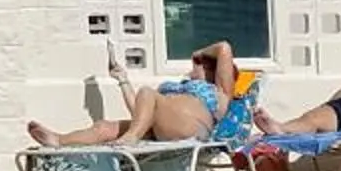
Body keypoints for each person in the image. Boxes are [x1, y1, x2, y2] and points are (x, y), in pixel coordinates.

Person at [27, 43, 246, 149]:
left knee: (147, 95)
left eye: (203, 65)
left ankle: (130, 139)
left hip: (191, 128)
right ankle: (59, 140)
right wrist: (122, 79)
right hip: (159, 127)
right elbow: (140, 113)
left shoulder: (220, 91)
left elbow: (224, 48)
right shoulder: (178, 88)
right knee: (104, 127)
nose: (196, 66)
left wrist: (197, 54)